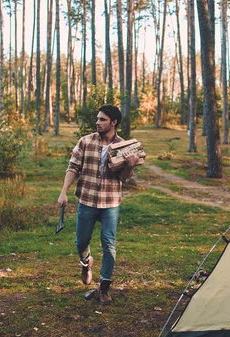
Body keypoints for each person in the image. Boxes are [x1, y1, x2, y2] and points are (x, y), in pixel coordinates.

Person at [57, 105, 139, 303]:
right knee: (81, 241)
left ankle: (104, 288)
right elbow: (73, 167)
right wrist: (63, 192)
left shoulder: (123, 146)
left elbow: (125, 179)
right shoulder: (85, 141)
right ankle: (86, 263)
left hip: (110, 203)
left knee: (109, 245)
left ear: (114, 122)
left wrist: (130, 165)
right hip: (87, 200)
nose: (98, 122)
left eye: (102, 119)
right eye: (98, 118)